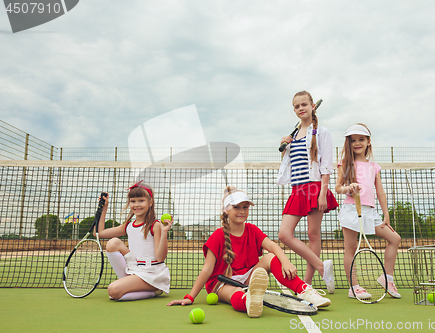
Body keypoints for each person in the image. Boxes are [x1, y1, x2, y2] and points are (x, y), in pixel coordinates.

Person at [167, 186, 331, 317]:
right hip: (222, 283)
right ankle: (249, 302)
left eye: (245, 207)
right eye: (236, 207)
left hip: (248, 277)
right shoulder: (217, 236)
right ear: (226, 210)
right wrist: (190, 297)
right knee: (236, 293)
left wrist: (285, 262)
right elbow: (207, 270)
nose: (242, 211)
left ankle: (305, 292)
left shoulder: (252, 230)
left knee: (271, 257)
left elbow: (273, 246)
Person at [276, 90, 338, 293]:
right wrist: (285, 147)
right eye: (296, 106)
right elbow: (289, 165)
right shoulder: (292, 136)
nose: (300, 108)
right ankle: (322, 266)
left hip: (314, 188)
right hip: (297, 189)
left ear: (313, 106)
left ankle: (307, 284)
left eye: (304, 104)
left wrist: (322, 193)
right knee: (284, 234)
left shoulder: (322, 132)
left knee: (313, 235)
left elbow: (326, 166)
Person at [335, 123, 402, 299]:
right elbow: (337, 188)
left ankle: (387, 279)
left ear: (368, 142)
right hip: (351, 210)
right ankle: (354, 287)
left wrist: (386, 215)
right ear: (348, 143)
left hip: (371, 213)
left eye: (361, 140)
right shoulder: (345, 164)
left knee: (395, 239)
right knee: (350, 248)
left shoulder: (374, 166)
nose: (357, 143)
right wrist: (349, 187)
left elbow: (380, 191)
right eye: (353, 140)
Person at [95, 181, 173, 301]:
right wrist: (104, 208)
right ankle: (129, 284)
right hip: (135, 269)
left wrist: (164, 233)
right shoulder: (128, 226)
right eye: (133, 201)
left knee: (113, 291)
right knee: (112, 243)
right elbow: (99, 233)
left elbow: (160, 258)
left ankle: (154, 290)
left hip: (152, 273)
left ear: (150, 202)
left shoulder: (155, 225)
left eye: (141, 200)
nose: (136, 204)